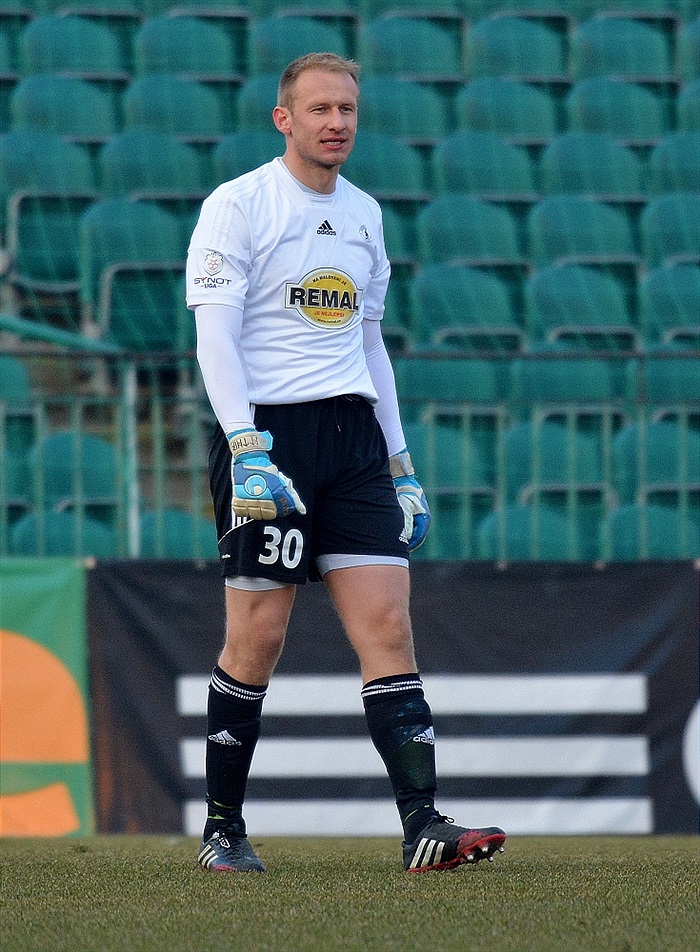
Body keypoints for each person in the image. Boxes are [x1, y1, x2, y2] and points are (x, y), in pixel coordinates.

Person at [186, 52, 506, 874]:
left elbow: (368, 341)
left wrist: (400, 461)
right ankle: (223, 828)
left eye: (349, 110)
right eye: (321, 108)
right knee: (257, 638)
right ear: (284, 119)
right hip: (270, 441)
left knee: (390, 627)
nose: (338, 123)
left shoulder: (365, 214)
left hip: (355, 442)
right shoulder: (239, 206)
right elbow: (214, 334)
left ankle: (422, 826)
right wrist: (245, 443)